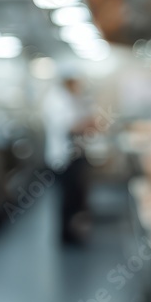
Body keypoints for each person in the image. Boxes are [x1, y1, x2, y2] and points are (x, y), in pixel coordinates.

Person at [42, 75, 93, 245]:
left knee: (76, 197)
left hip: (73, 155)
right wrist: (87, 124)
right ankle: (67, 236)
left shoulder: (69, 98)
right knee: (68, 198)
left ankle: (75, 231)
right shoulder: (56, 100)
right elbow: (69, 127)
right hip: (63, 157)